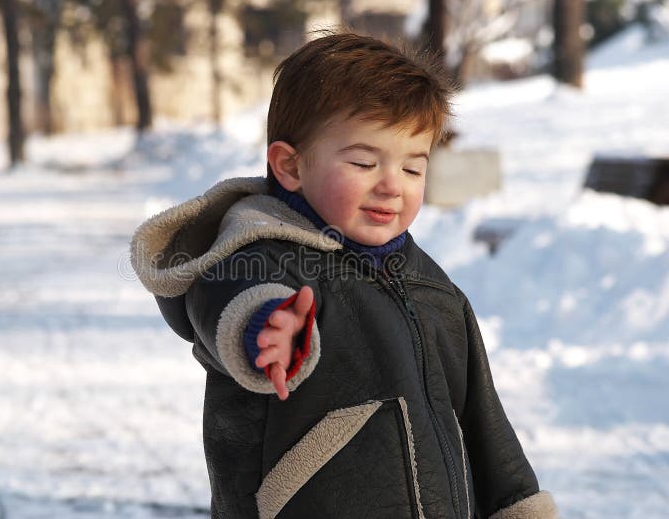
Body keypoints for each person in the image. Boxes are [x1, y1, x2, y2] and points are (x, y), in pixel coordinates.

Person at [131, 31, 558, 519]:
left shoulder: (435, 293)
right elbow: (223, 298)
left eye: (414, 169)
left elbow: (485, 427)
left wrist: (518, 508)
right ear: (290, 167)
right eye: (363, 161)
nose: (392, 186)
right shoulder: (258, 256)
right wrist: (267, 327)